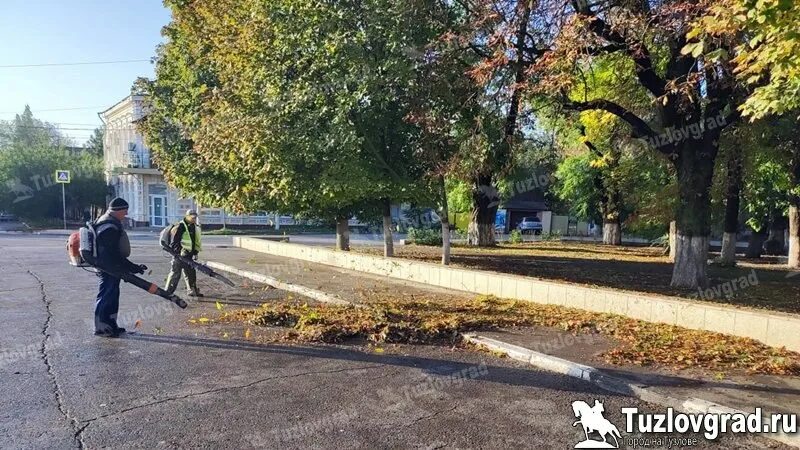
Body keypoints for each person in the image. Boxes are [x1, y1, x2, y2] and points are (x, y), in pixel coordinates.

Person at [94, 197, 147, 337]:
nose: (126, 213)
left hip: (110, 267)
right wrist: (132, 267)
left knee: (112, 296)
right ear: (118, 210)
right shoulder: (109, 226)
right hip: (108, 268)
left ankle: (111, 325)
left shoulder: (109, 222)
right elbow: (113, 254)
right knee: (107, 296)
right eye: (125, 210)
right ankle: (102, 328)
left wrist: (131, 267)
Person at [165, 209, 204, 297]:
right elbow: (174, 242)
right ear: (187, 216)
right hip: (179, 255)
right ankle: (167, 292)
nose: (194, 219)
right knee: (175, 274)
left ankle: (192, 291)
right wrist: (179, 252)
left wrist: (195, 253)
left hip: (188, 256)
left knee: (191, 274)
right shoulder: (180, 226)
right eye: (192, 217)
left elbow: (194, 242)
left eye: (195, 218)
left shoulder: (194, 227)